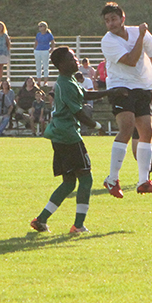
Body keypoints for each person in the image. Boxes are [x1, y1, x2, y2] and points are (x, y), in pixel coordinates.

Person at [30, 46, 124, 234]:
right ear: (62, 65)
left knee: (69, 182)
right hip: (68, 136)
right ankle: (78, 226)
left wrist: (108, 92)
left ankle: (40, 220)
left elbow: (85, 95)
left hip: (59, 135)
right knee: (86, 178)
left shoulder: (68, 80)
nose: (77, 60)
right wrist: (99, 127)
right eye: (72, 58)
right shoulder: (65, 84)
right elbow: (79, 113)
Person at [100, 2, 152, 198]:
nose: (111, 24)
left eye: (114, 19)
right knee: (126, 128)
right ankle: (112, 179)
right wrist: (141, 37)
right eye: (107, 21)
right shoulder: (108, 41)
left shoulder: (137, 32)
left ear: (122, 18)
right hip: (121, 87)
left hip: (142, 87)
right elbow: (131, 60)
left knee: (148, 132)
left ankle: (144, 181)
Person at [33, 21, 55, 87]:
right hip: (38, 51)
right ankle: (38, 81)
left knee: (45, 66)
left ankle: (45, 81)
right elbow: (36, 42)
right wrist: (34, 49)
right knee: (38, 66)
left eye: (41, 26)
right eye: (39, 26)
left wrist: (51, 49)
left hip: (45, 50)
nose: (40, 27)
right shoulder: (38, 34)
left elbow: (53, 42)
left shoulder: (49, 35)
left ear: (45, 27)